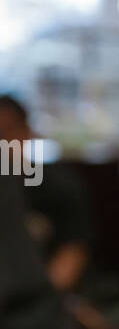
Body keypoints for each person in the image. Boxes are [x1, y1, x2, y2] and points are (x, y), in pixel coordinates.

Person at [0, 94, 92, 291]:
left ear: (26, 132)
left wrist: (42, 301)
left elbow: (73, 252)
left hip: (47, 303)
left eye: (6, 133)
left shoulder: (57, 186)